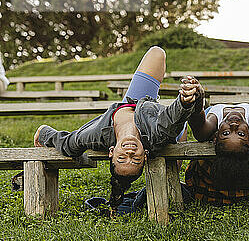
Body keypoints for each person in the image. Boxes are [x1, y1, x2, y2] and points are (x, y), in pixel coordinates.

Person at [34, 46, 203, 209]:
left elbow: (68, 144)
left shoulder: (97, 135)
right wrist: (184, 100)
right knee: (174, 140)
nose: (129, 154)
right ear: (145, 155)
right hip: (168, 124)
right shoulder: (157, 134)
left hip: (131, 102)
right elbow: (171, 119)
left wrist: (43, 133)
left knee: (156, 53)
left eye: (121, 158)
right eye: (135, 160)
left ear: (111, 151)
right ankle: (170, 186)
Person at [182, 65, 249, 204]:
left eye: (226, 133)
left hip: (208, 111)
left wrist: (197, 100)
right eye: (240, 133)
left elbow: (197, 120)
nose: (234, 125)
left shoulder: (209, 128)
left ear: (215, 137)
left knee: (201, 132)